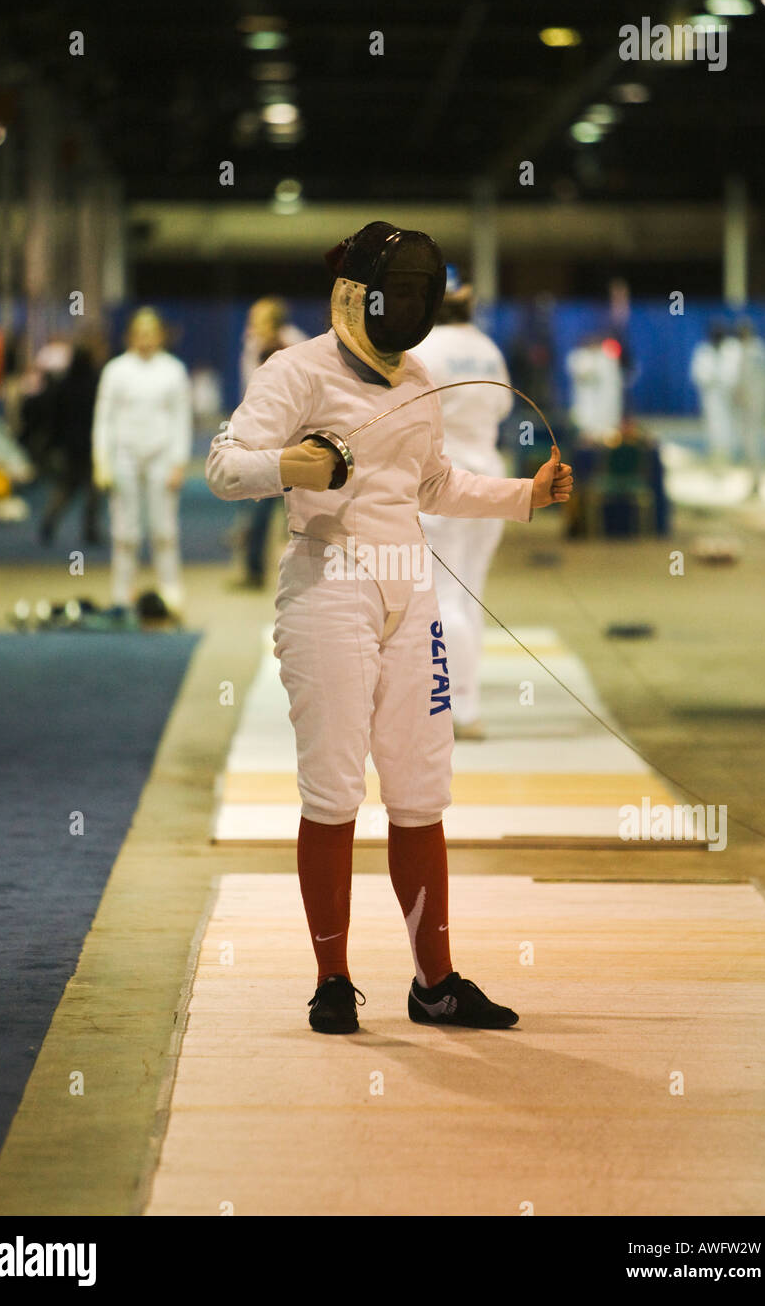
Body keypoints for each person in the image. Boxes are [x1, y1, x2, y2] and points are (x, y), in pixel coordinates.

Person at [206, 221, 573, 1035]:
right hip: (327, 585)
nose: (408, 306)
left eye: (419, 293)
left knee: (419, 791)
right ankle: (332, 979)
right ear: (356, 296)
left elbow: (433, 483)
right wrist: (289, 467)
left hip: (411, 587)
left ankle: (434, 983)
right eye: (395, 292)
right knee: (333, 791)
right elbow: (225, 464)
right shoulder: (294, 371)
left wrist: (526, 494)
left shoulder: (420, 378)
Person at [411, 268, 513, 740]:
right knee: (470, 593)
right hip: (490, 481)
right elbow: (505, 408)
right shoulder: (488, 349)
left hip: (445, 484)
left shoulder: (423, 350)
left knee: (446, 596)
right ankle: (464, 702)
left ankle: (457, 708)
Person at [92, 308, 192, 616]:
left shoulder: (173, 370)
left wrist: (179, 462)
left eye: (151, 332)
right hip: (125, 456)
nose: (146, 338)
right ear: (130, 336)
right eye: (140, 332)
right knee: (125, 532)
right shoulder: (115, 370)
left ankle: (170, 592)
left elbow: (181, 418)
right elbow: (104, 419)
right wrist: (102, 461)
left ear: (160, 335)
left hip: (161, 456)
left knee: (164, 530)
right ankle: (122, 596)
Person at [236, 298, 308, 587]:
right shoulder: (252, 346)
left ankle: (303, 572)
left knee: (299, 510)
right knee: (255, 509)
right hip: (261, 441)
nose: (252, 323)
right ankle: (254, 572)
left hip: (293, 440)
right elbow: (249, 391)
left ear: (275, 320)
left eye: (258, 318)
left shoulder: (298, 344)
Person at [40, 330, 108, 545]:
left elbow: (53, 417)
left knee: (65, 488)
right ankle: (90, 530)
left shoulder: (63, 384)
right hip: (91, 445)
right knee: (93, 491)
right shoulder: (97, 384)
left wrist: (52, 443)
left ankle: (49, 521)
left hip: (69, 446)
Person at [733, 319, 765, 491]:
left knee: (752, 442)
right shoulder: (764, 350)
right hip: (760, 404)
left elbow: (744, 381)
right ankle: (756, 478)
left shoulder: (749, 352)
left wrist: (741, 396)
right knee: (756, 441)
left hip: (752, 406)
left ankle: (756, 480)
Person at [690, 321, 737, 466]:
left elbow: (734, 373)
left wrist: (725, 381)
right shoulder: (704, 351)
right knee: (712, 425)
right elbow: (698, 373)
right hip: (711, 396)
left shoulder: (731, 350)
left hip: (728, 396)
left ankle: (727, 455)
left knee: (729, 426)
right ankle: (715, 454)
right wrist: (711, 378)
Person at [566, 333, 622, 441]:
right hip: (586, 407)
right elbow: (583, 372)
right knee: (587, 429)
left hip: (606, 408)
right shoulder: (580, 357)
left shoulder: (606, 358)